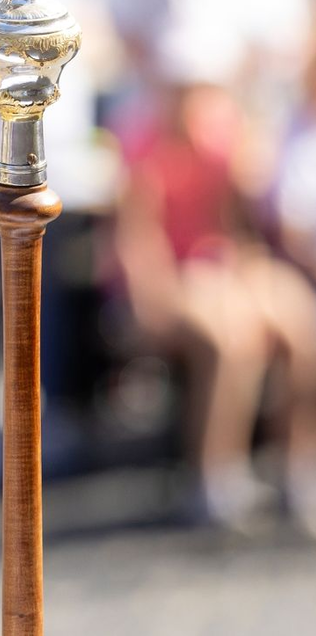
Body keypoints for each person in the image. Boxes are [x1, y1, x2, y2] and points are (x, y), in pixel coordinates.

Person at [113, 75, 316, 532]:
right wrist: (157, 297)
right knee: (232, 341)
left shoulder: (228, 138)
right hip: (180, 279)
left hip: (228, 269)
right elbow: (139, 239)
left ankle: (298, 466)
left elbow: (246, 225)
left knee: (301, 325)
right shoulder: (143, 145)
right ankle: (215, 475)